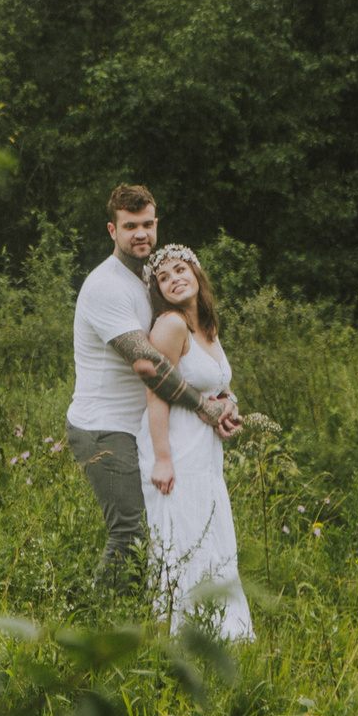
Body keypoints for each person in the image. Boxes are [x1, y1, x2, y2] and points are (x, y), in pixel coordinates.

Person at [65, 184, 237, 596]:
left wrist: (223, 397)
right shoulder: (106, 285)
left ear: (156, 225)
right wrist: (203, 407)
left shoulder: (150, 278)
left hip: (142, 425)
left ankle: (152, 618)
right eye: (130, 226)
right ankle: (96, 620)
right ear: (112, 230)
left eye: (146, 224)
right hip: (104, 426)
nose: (140, 234)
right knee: (131, 531)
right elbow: (148, 364)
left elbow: (184, 348)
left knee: (161, 532)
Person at [138, 244, 253, 640]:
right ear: (158, 291)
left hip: (205, 449)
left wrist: (229, 409)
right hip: (176, 444)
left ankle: (223, 631)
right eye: (163, 277)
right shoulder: (171, 324)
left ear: (196, 273)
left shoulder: (206, 326)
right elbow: (156, 391)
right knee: (184, 534)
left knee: (211, 533)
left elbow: (218, 384)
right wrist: (162, 458)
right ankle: (180, 635)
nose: (174, 279)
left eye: (180, 269)